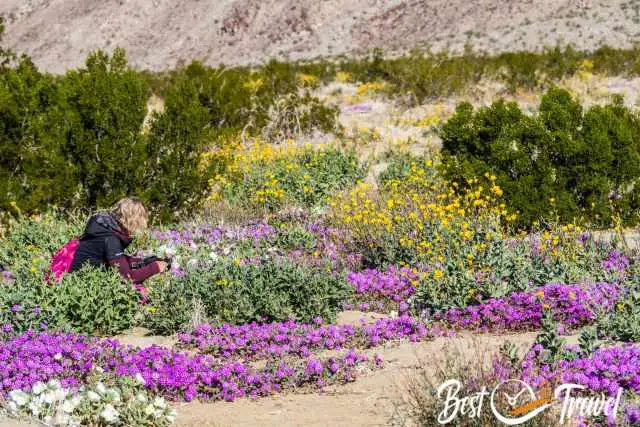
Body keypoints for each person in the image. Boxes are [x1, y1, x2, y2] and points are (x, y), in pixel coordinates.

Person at [70, 197, 167, 283]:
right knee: (141, 295)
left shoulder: (105, 227)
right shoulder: (111, 238)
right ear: (133, 220)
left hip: (76, 276)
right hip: (77, 282)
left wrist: (145, 261)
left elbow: (117, 260)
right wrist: (155, 267)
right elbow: (127, 277)